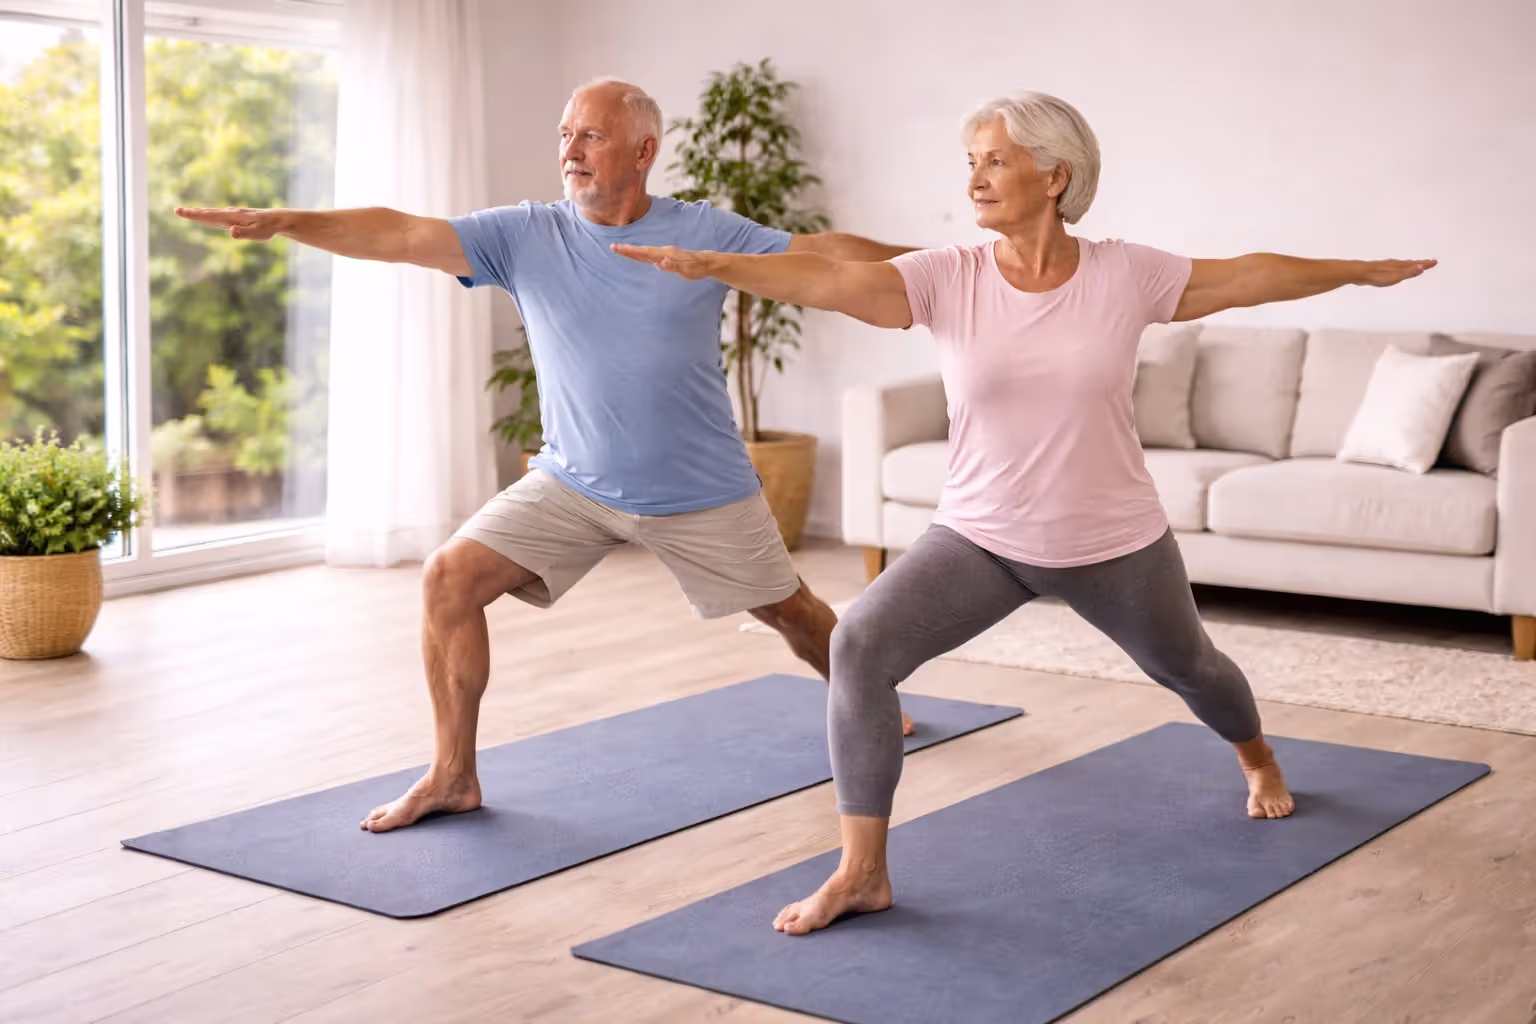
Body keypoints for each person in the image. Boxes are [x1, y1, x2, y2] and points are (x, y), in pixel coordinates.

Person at [615, 90, 1437, 934]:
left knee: (1193, 669)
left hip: (1112, 541)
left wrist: (1359, 272)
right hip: (981, 536)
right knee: (859, 644)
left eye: (996, 159)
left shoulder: (1126, 273)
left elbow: (1247, 275)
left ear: (1056, 175)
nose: (976, 177)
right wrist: (719, 267)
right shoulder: (946, 277)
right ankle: (862, 872)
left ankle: (1256, 756)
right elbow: (830, 276)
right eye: (970, 160)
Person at [177, 78, 916, 834]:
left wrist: (949, 264)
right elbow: (400, 233)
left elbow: (826, 257)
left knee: (791, 612)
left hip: (700, 488)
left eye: (591, 136)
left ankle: (872, 697)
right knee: (448, 580)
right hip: (574, 483)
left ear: (643, 150)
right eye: (566, 135)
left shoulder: (702, 232)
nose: (571, 150)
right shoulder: (525, 234)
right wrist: (288, 221)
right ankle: (452, 774)